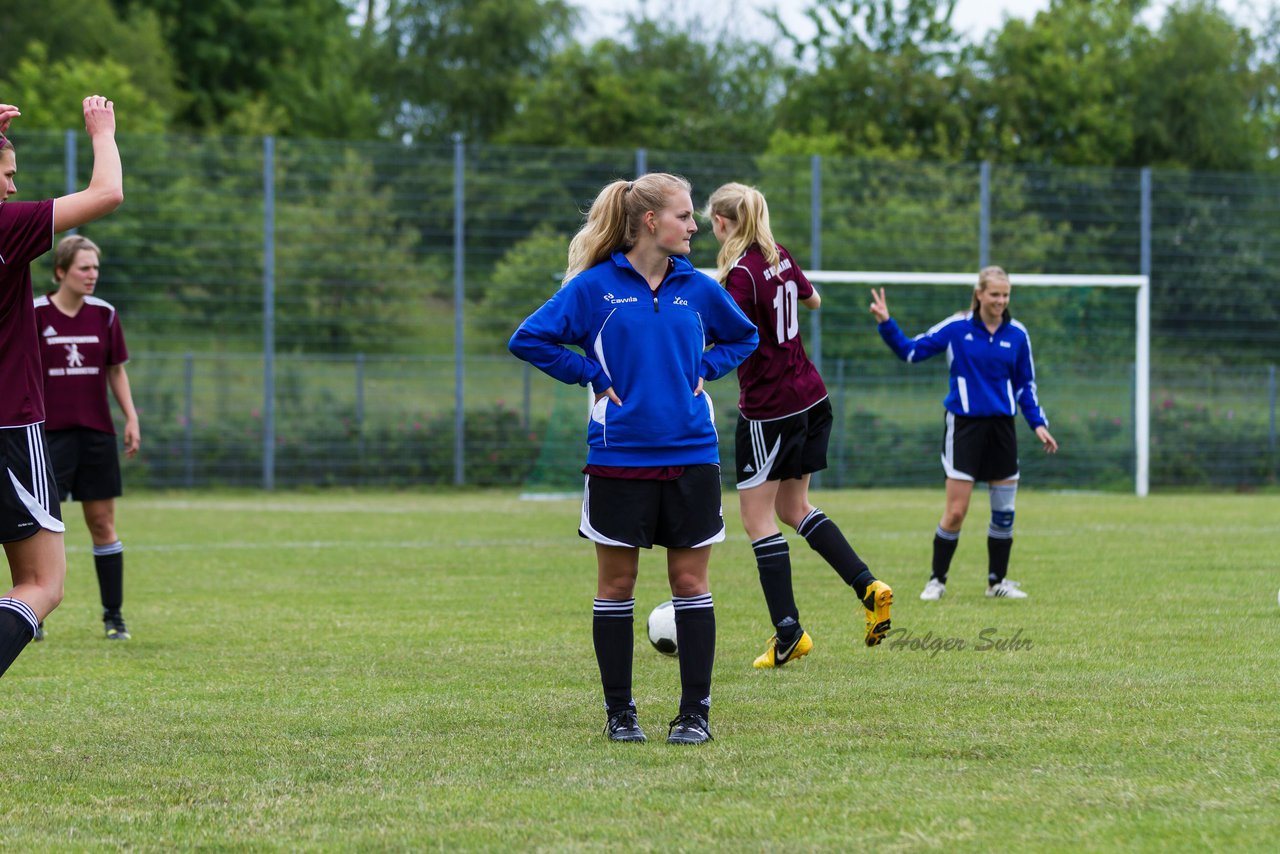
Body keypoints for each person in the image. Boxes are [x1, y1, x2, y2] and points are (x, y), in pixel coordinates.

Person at [509, 173, 758, 745]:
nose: (695, 226)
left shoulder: (698, 288)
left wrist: (705, 369)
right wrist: (590, 374)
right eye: (685, 216)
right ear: (651, 222)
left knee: (690, 581)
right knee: (617, 586)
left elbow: (744, 338)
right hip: (618, 455)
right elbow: (529, 338)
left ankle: (695, 714)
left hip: (693, 455)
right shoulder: (594, 289)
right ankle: (620, 714)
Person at [704, 182, 892, 669]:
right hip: (812, 396)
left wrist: (695, 367)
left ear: (723, 223)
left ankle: (788, 632)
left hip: (771, 409)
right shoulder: (778, 255)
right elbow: (814, 302)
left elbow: (732, 338)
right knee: (795, 507)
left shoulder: (742, 272)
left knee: (757, 520)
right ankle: (869, 588)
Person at [0, 96, 124, 678]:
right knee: (43, 584)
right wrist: (102, 132)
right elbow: (107, 194)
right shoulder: (8, 228)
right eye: (6, 176)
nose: (11, 188)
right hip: (10, 423)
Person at [869, 266, 1058, 601]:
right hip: (965, 427)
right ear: (979, 294)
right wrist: (886, 323)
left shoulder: (1017, 334)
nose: (1000, 301)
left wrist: (1038, 423)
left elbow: (1025, 386)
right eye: (995, 294)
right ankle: (936, 581)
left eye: (1005, 295)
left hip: (1002, 428)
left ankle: (996, 582)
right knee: (956, 511)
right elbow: (911, 351)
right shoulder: (956, 327)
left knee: (1004, 511)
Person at [34, 235, 139, 640]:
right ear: (61, 271)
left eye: (95, 268)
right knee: (40, 528)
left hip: (96, 435)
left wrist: (131, 417)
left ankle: (114, 618)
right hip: (47, 436)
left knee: (102, 524)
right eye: (84, 268)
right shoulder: (35, 313)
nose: (92, 275)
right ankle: (34, 616)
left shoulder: (105, 315)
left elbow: (115, 370)